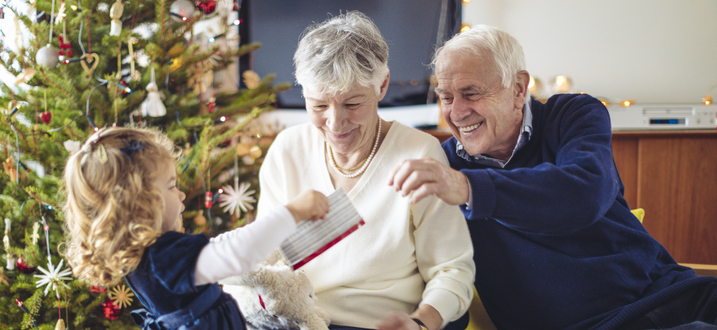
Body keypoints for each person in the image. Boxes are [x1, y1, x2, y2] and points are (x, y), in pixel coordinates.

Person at [389, 25, 717, 330]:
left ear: (518, 88)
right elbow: (435, 268)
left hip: (674, 293)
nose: (457, 113)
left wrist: (469, 189)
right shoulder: (442, 168)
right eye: (446, 97)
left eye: (471, 93)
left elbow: (584, 192)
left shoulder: (572, 116)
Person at [256, 11, 475, 330]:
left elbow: (452, 270)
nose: (334, 123)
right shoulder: (287, 150)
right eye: (318, 106)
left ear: (382, 85)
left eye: (352, 104)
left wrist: (420, 323)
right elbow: (266, 260)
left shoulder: (418, 153)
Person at [62, 127, 330, 329]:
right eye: (170, 186)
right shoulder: (166, 257)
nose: (180, 195)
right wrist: (293, 212)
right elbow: (235, 255)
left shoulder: (149, 256)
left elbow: (220, 247)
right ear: (140, 205)